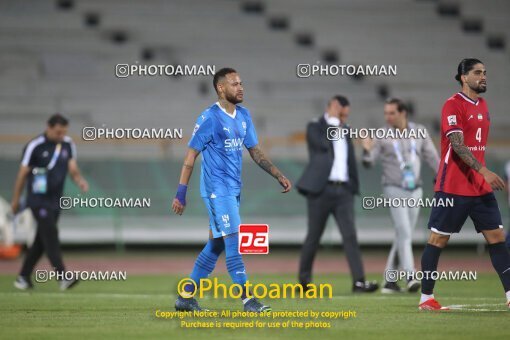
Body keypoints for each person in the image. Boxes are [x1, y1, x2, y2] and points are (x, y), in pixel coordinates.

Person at [171, 67, 292, 312]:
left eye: (241, 83)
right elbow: (190, 156)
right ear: (220, 88)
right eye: (235, 84)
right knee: (233, 240)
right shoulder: (209, 118)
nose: (241, 87)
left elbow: (255, 151)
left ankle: (185, 297)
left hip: (234, 189)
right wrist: (181, 193)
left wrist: (277, 174)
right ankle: (248, 300)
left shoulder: (244, 115)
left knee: (216, 244)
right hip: (216, 190)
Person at [418, 58, 510, 310]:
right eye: (477, 72)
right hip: (453, 186)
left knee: (496, 236)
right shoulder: (452, 105)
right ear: (463, 77)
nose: (483, 77)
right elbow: (457, 146)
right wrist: (484, 170)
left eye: (485, 72)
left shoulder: (483, 104)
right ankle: (426, 299)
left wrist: (482, 175)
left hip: (479, 187)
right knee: (438, 240)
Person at [296, 95, 378, 293]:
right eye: (343, 113)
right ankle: (304, 282)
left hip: (344, 191)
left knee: (350, 236)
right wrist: (335, 123)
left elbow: (355, 161)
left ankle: (359, 281)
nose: (345, 117)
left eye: (347, 115)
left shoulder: (346, 130)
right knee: (314, 237)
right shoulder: (316, 125)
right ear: (333, 106)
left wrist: (366, 151)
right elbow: (321, 145)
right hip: (320, 190)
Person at [362, 98, 439, 294]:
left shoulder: (419, 131)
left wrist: (441, 176)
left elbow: (432, 157)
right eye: (385, 113)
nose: (387, 117)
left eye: (391, 113)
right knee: (404, 231)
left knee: (402, 235)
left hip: (415, 189)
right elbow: (369, 162)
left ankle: (389, 280)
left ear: (403, 113)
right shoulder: (381, 134)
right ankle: (410, 276)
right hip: (393, 188)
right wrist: (366, 149)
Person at [11, 114, 89, 290]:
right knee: (51, 235)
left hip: (55, 200)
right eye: (58, 132)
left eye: (64, 132)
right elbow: (22, 174)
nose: (61, 135)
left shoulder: (68, 144)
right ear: (49, 127)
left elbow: (73, 168)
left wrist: (80, 181)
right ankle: (63, 276)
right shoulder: (35, 146)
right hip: (38, 199)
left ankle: (23, 277)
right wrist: (16, 200)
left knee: (41, 240)